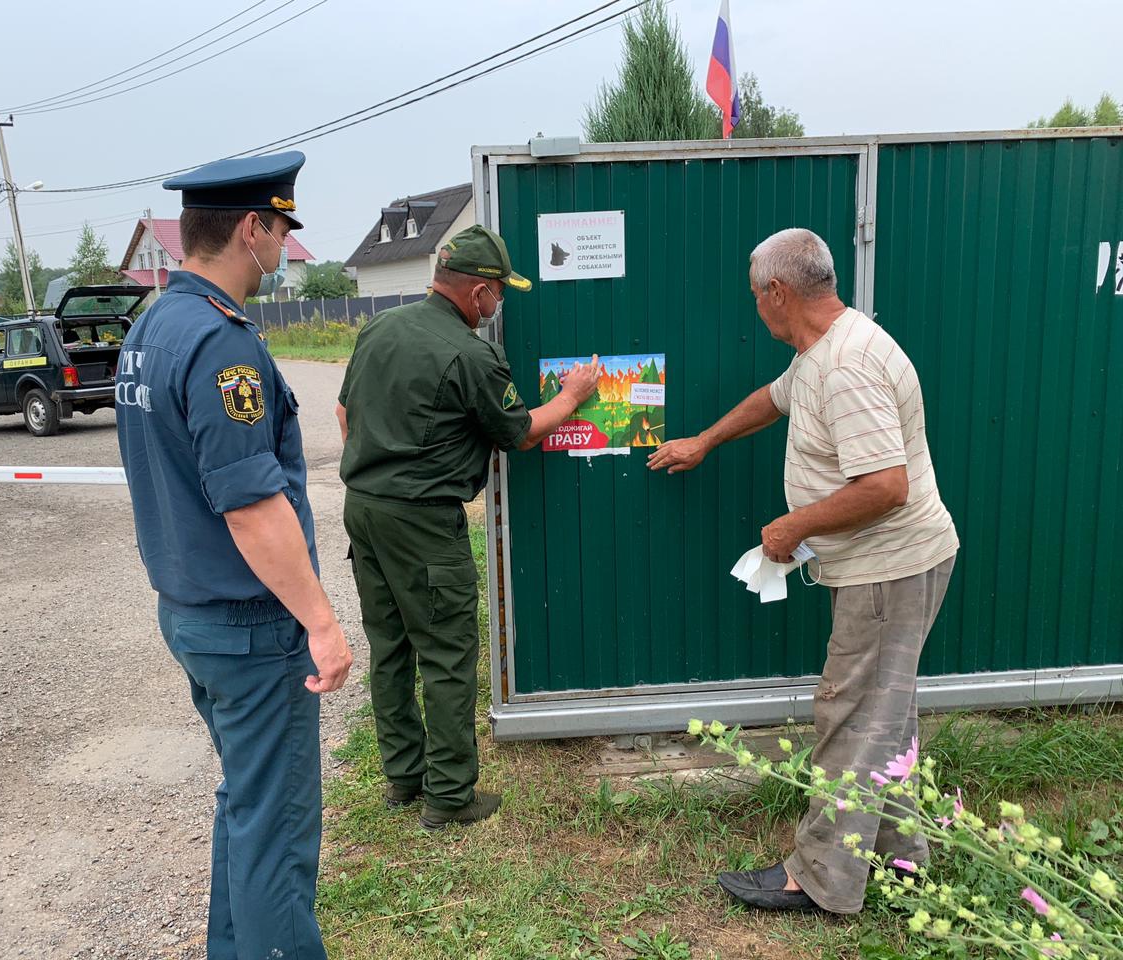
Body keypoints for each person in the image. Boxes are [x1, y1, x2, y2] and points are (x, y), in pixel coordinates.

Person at [648, 227, 958, 915]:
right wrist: (705, 440)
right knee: (885, 716)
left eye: (756, 297)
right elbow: (775, 398)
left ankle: (819, 877)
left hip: (889, 568)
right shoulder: (822, 349)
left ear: (778, 293)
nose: (754, 309)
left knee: (851, 715)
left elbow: (885, 486)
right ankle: (904, 857)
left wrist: (796, 525)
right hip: (891, 565)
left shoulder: (847, 366)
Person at [115, 150, 353, 959]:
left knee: (248, 806)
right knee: (278, 830)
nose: (284, 249)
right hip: (250, 628)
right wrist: (321, 622)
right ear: (251, 228)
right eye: (281, 230)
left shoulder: (152, 324)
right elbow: (253, 508)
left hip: (192, 615)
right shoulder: (223, 345)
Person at [336, 225, 601, 830]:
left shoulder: (379, 328)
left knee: (391, 647)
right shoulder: (470, 354)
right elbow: (523, 432)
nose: (500, 304)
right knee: (448, 654)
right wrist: (574, 394)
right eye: (500, 293)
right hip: (423, 522)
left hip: (365, 511)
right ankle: (450, 796)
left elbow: (344, 411)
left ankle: (404, 778)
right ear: (478, 292)